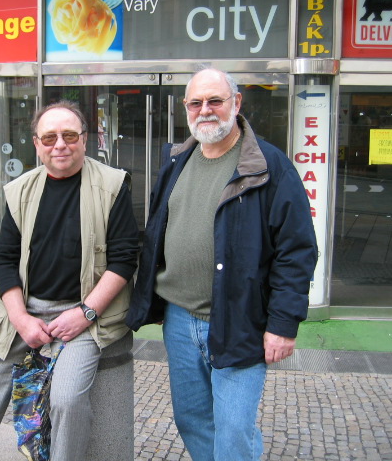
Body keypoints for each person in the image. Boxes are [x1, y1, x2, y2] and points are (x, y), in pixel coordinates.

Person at [126, 68, 318, 461]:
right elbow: (158, 230)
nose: (205, 110)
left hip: (239, 319)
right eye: (195, 103)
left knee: (232, 430)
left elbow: (297, 250)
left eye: (215, 100)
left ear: (237, 103)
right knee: (192, 419)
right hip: (179, 320)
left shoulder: (269, 166)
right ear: (185, 107)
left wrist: (283, 324)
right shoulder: (176, 160)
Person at [0, 100, 139, 461]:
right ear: (37, 144)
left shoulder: (112, 185)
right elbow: (4, 258)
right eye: (49, 138)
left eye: (69, 136)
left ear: (84, 139)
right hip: (22, 309)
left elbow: (124, 260)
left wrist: (85, 313)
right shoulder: (20, 190)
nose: (59, 145)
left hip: (82, 315)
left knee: (67, 399)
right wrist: (20, 318)